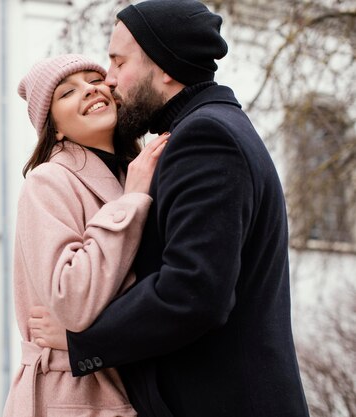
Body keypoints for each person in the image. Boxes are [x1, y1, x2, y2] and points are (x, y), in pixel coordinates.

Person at [28, 1, 310, 416]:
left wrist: (81, 342)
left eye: (118, 63)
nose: (108, 80)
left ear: (165, 68)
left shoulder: (204, 137)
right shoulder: (196, 133)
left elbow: (193, 291)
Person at [2, 54, 168, 417]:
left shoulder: (139, 171)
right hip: (73, 394)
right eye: (67, 92)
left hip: (138, 381)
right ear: (54, 127)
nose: (90, 89)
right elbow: (72, 299)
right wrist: (132, 202)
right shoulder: (48, 182)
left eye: (95, 79)